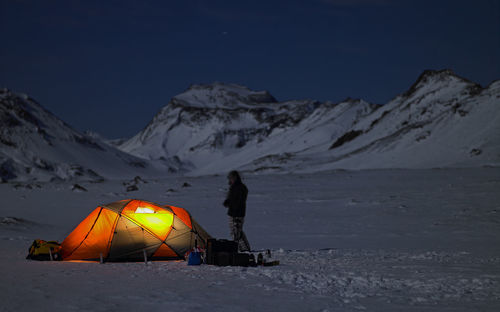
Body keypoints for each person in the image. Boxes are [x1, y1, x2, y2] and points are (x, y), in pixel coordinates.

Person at [223, 170, 251, 252]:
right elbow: (232, 199)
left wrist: (232, 206)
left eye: (231, 178)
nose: (230, 180)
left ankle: (244, 250)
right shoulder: (234, 187)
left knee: (236, 234)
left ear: (235, 178)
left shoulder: (240, 188)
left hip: (237, 214)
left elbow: (239, 201)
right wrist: (227, 202)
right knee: (237, 232)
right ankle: (244, 249)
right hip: (233, 213)